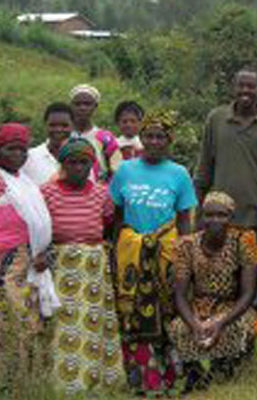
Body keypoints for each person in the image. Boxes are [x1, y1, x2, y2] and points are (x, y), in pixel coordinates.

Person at [110, 110, 198, 396]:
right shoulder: (125, 170)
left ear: (169, 140)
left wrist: (185, 255)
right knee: (132, 312)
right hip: (131, 253)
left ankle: (169, 375)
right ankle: (137, 377)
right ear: (141, 138)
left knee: (166, 309)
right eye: (149, 135)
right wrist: (115, 251)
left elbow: (185, 219)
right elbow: (117, 215)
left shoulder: (179, 173)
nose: (154, 141)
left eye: (161, 136)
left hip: (166, 252)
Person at [39, 138, 123, 394]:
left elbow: (109, 222)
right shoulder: (47, 192)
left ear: (92, 164)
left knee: (94, 319)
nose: (78, 167)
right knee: (63, 320)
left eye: (83, 162)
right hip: (60, 263)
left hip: (92, 264)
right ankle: (64, 384)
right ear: (62, 164)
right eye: (72, 162)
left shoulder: (100, 192)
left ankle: (99, 380)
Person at [0, 123, 52, 398]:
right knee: (3, 325)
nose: (18, 155)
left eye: (23, 150)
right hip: (1, 266)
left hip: (30, 264)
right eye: (11, 149)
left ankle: (23, 388)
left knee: (29, 325)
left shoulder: (25, 182)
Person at [168, 191, 257, 389]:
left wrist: (221, 321)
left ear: (231, 218)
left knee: (239, 326)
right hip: (199, 305)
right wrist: (194, 323)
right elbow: (180, 295)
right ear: (201, 217)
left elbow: (248, 293)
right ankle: (194, 370)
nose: (215, 220)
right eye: (209, 215)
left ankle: (224, 365)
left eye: (222, 215)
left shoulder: (244, 241)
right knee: (179, 327)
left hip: (233, 304)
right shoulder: (187, 245)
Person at [197, 68, 257, 260]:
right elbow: (203, 170)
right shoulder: (216, 119)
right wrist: (199, 215)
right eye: (240, 85)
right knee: (220, 278)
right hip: (219, 217)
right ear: (233, 89)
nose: (245, 90)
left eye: (251, 86)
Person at [69, 84, 122, 182]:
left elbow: (117, 170)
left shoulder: (106, 138)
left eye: (87, 104)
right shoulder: (64, 135)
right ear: (71, 106)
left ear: (95, 106)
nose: (82, 108)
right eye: (78, 104)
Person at [22, 102, 75, 185]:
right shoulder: (30, 157)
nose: (58, 130)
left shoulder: (81, 157)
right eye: (53, 125)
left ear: (73, 125)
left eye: (64, 125)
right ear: (45, 125)